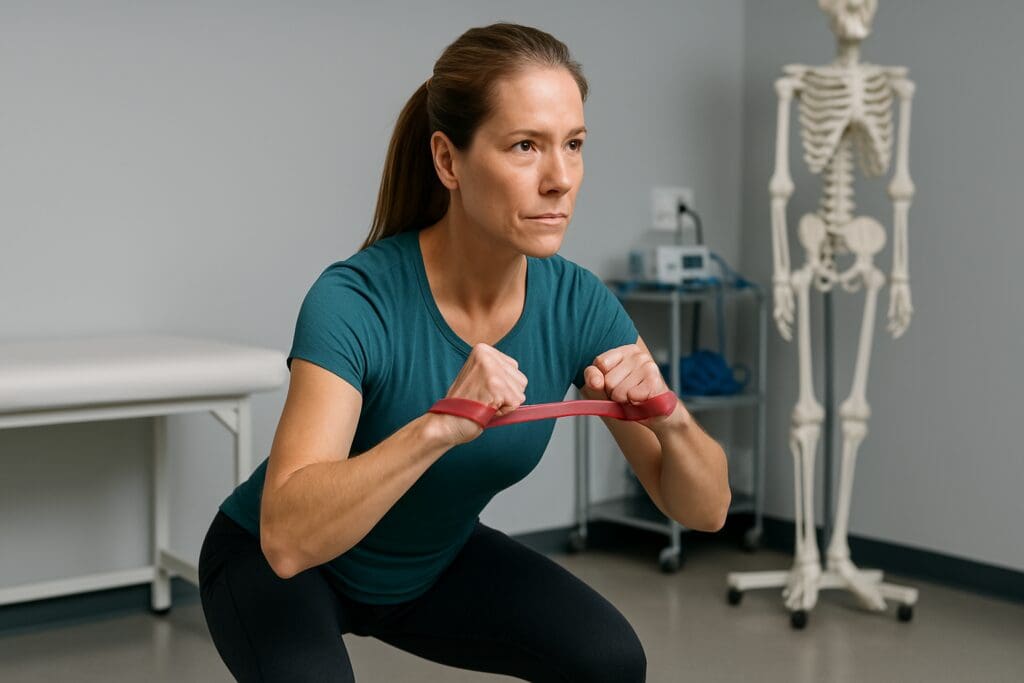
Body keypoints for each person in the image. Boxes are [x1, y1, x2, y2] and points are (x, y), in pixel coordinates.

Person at [197, 21, 731, 683]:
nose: (560, 178)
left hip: (428, 566)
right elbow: (286, 539)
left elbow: (706, 510)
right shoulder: (355, 299)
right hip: (276, 565)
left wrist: (671, 417)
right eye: (525, 146)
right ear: (449, 161)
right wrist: (436, 427)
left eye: (574, 144)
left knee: (611, 661)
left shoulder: (577, 302)